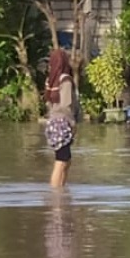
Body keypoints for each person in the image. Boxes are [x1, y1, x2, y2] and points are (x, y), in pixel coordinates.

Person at [44, 48, 77, 187]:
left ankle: (62, 189)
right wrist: (73, 124)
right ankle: (56, 193)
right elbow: (66, 106)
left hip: (52, 123)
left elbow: (49, 103)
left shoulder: (51, 80)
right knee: (62, 160)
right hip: (63, 123)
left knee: (66, 159)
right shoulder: (66, 81)